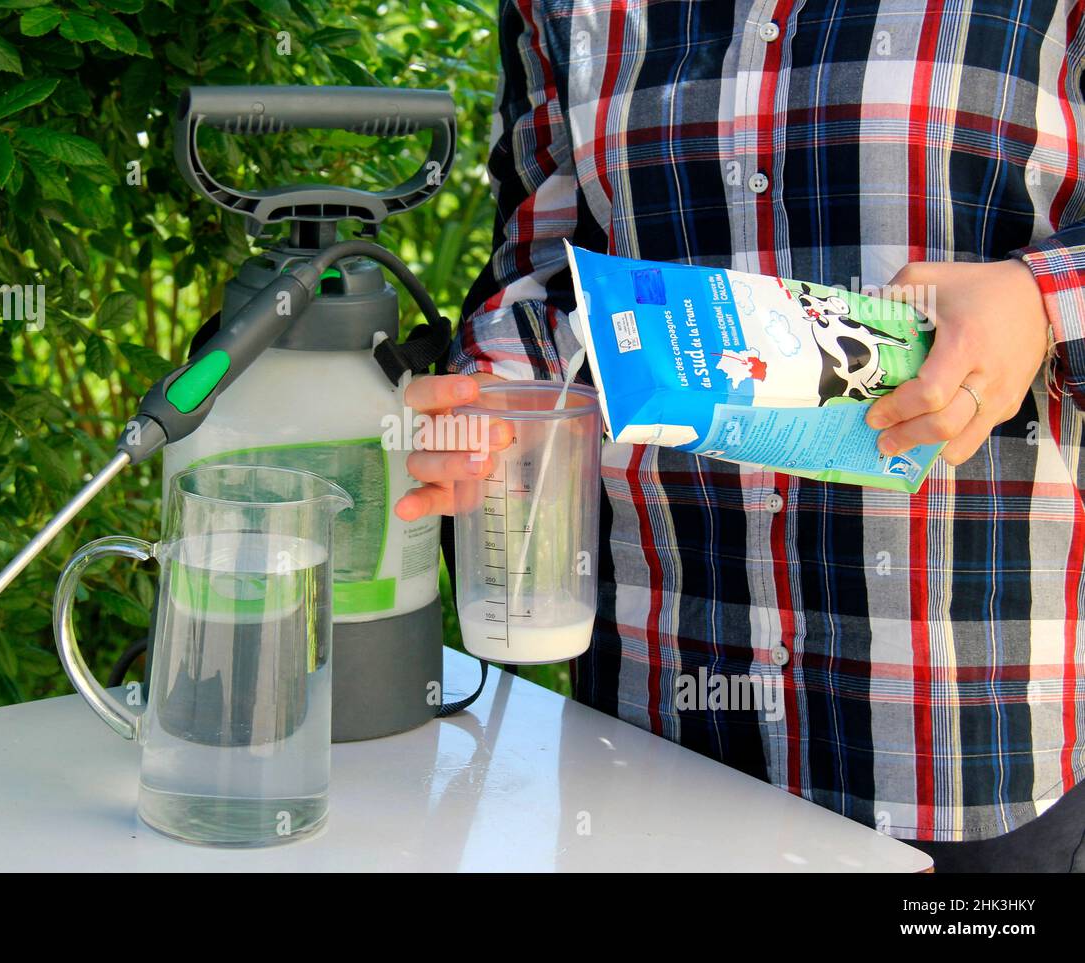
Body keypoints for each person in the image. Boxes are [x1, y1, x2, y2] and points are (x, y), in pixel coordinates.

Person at [395, 1, 1085, 872]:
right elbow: (541, 267)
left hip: (957, 736)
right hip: (649, 730)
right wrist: (498, 399)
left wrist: (1044, 301)